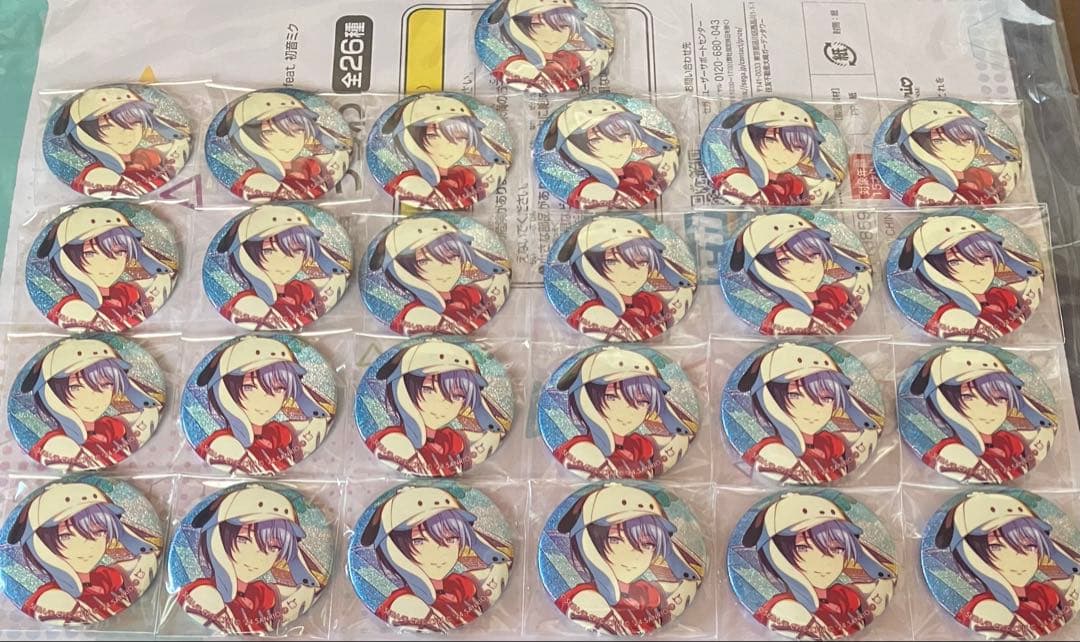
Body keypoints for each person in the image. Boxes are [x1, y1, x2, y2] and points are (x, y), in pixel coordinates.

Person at [554, 483, 702, 635]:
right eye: (615, 540)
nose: (634, 555)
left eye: (648, 544)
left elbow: (667, 588)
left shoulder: (642, 591)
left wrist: (687, 584)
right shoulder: (585, 599)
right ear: (588, 545)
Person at [742, 493, 896, 639]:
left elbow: (874, 587)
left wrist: (884, 584)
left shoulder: (840, 595)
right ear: (776, 554)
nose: (825, 561)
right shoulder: (783, 609)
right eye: (803, 548)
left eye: (838, 549)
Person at [360, 486, 512, 632]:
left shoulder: (458, 585)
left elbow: (499, 568)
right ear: (393, 549)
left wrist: (492, 557)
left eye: (451, 538)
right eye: (419, 541)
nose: (440, 552)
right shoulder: (404, 604)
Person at [177, 485, 324, 634]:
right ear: (217, 541)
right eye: (243, 540)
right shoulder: (203, 594)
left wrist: (306, 584)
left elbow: (303, 591)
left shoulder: (256, 593)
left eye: (273, 547)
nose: (257, 557)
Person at [8, 482, 159, 624]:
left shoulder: (102, 578)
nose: (87, 546)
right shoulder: (51, 599)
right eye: (66, 536)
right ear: (40, 545)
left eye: (99, 532)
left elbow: (138, 562)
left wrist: (145, 554)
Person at [936, 492, 1080, 638]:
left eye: (1030, 546)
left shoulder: (1040, 593)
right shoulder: (986, 609)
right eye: (996, 547)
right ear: (970, 554)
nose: (1019, 559)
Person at [737, 344, 882, 484]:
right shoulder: (772, 452)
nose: (814, 408)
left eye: (827, 398)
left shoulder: (825, 443)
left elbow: (852, 437)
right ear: (769, 401)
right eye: (795, 395)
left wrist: (868, 431)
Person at [366, 339, 510, 476]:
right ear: (403, 392)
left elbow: (473, 437)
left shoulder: (446, 439)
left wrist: (493, 432)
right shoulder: (394, 442)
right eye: (428, 389)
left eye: (458, 396)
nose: (442, 405)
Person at [910, 347, 1056, 483]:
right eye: (968, 397)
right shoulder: (951, 451)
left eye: (1001, 398)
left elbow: (1038, 435)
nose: (989, 409)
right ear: (943, 403)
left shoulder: (1006, 441)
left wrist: (1043, 430)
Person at [193, 336, 332, 474]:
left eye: (279, 388)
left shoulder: (272, 433)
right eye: (249, 387)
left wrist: (318, 419)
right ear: (225, 393)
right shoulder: (223, 444)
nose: (265, 400)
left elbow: (305, 425)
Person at [552, 347, 696, 478]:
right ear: (586, 401)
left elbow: (660, 441)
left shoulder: (633, 444)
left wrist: (680, 436)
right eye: (612, 397)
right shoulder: (580, 449)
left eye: (642, 401)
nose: (628, 412)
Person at [21, 338, 161, 470]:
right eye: (76, 387)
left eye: (106, 384)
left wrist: (147, 405)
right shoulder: (56, 444)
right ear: (50, 395)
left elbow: (145, 414)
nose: (94, 398)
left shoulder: (106, 427)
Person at [898, 215, 1043, 341]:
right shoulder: (951, 317)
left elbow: (1029, 285)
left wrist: (1031, 278)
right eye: (955, 262)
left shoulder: (1001, 296)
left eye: (985, 257)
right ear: (932, 272)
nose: (976, 270)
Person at [730, 213, 871, 335]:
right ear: (764, 272)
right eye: (785, 261)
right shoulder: (784, 317)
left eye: (814, 255)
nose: (807, 268)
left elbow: (860, 282)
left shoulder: (832, 293)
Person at [559, 216, 695, 341]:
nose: (631, 273)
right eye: (612, 262)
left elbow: (669, 298)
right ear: (588, 268)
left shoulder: (646, 302)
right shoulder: (593, 314)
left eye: (642, 262)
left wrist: (682, 291)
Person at [41, 207, 175, 332]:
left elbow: (156, 282)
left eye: (120, 252)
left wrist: (161, 276)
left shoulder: (122, 292)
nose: (108, 265)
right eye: (90, 254)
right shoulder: (72, 308)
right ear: (66, 260)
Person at [217, 205, 350, 330]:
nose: (285, 263)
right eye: (269, 251)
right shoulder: (246, 304)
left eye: (298, 250)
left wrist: (336, 276)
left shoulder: (298, 291)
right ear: (245, 257)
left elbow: (324, 284)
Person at [370, 217, 511, 335]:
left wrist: (499, 279)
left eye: (453, 256)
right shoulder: (416, 314)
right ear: (403, 273)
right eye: (424, 262)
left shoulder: (464, 293)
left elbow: (495, 281)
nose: (444, 270)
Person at [53, 86, 190, 198]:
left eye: (135, 123)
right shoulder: (95, 177)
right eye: (107, 127)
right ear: (84, 135)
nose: (125, 133)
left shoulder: (150, 156)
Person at [543, 99, 679, 209]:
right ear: (576, 151)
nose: (615, 148)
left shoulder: (638, 169)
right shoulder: (590, 191)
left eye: (624, 134)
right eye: (596, 140)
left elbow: (663, 157)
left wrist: (668, 154)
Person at [381, 94, 510, 209]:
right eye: (432, 136)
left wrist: (496, 163)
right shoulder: (410, 183)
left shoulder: (461, 175)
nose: (448, 147)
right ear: (410, 141)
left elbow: (491, 171)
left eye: (461, 137)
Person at [216, 90, 350, 201]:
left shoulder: (309, 165)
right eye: (269, 132)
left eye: (298, 130)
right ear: (248, 140)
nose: (287, 141)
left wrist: (337, 154)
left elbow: (336, 155)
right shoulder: (255, 181)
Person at [885, 100, 1022, 206]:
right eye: (938, 141)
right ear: (916, 149)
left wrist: (1009, 164)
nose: (957, 150)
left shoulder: (979, 175)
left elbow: (1007, 167)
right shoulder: (928, 190)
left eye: (967, 139)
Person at [711, 98, 845, 205]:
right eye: (771, 140)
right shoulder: (738, 180)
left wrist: (826, 178)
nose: (783, 154)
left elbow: (821, 183)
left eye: (798, 146)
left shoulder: (790, 182)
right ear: (747, 141)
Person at [488, 0, 613, 93]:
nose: (552, 35)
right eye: (537, 24)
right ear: (516, 30)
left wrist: (593, 44)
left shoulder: (570, 58)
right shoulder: (517, 68)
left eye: (564, 25)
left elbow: (603, 51)